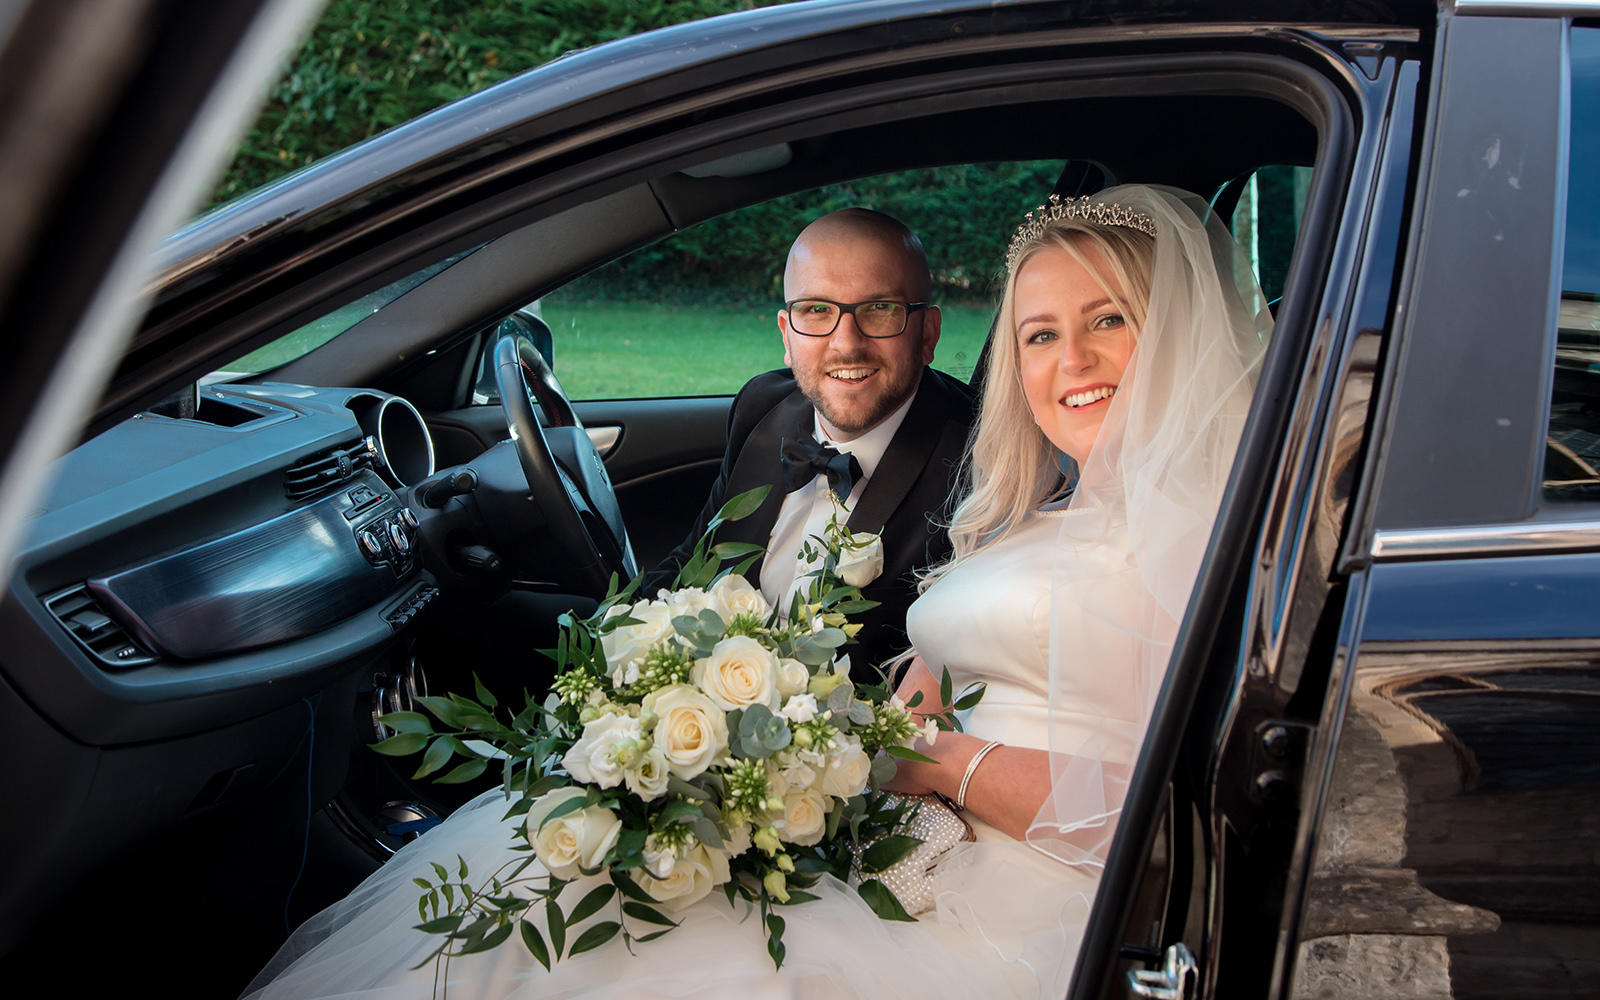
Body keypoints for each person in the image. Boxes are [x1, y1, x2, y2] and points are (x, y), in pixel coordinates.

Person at [241, 185, 1271, 999]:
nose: (1071, 360)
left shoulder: (1192, 536)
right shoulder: (1024, 497)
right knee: (533, 891)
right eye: (1041, 334)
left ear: (926, 327)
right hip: (886, 806)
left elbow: (1171, 810)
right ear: (783, 329)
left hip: (1000, 884)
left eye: (1108, 322)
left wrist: (905, 757)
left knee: (575, 950)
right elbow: (903, 658)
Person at [647, 209, 976, 669]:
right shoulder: (761, 406)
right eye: (817, 309)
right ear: (787, 332)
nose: (846, 343)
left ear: (928, 334)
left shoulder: (979, 465)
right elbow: (692, 562)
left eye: (880, 309)